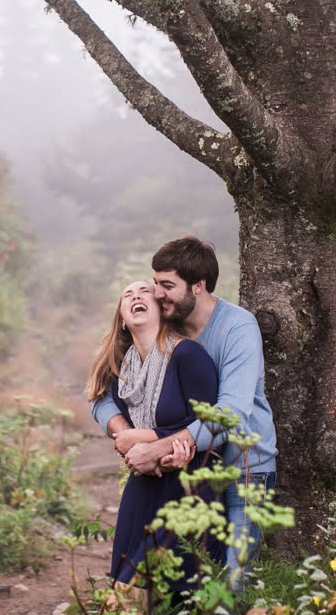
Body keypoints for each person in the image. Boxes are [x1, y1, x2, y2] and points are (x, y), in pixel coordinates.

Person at [92, 236, 278, 595]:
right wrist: (124, 433)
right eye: (155, 283)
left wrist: (155, 446)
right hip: (190, 474)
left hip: (243, 470)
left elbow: (231, 412)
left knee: (231, 586)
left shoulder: (237, 328)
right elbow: (103, 391)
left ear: (199, 286)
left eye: (167, 286)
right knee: (186, 585)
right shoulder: (167, 327)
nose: (157, 294)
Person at [87, 280, 222, 600]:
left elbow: (211, 424)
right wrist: (125, 434)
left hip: (189, 488)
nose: (135, 296)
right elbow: (97, 399)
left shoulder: (187, 354)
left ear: (161, 308)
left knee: (138, 587)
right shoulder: (125, 368)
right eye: (127, 296)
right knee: (132, 581)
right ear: (122, 319)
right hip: (145, 484)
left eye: (144, 292)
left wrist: (145, 437)